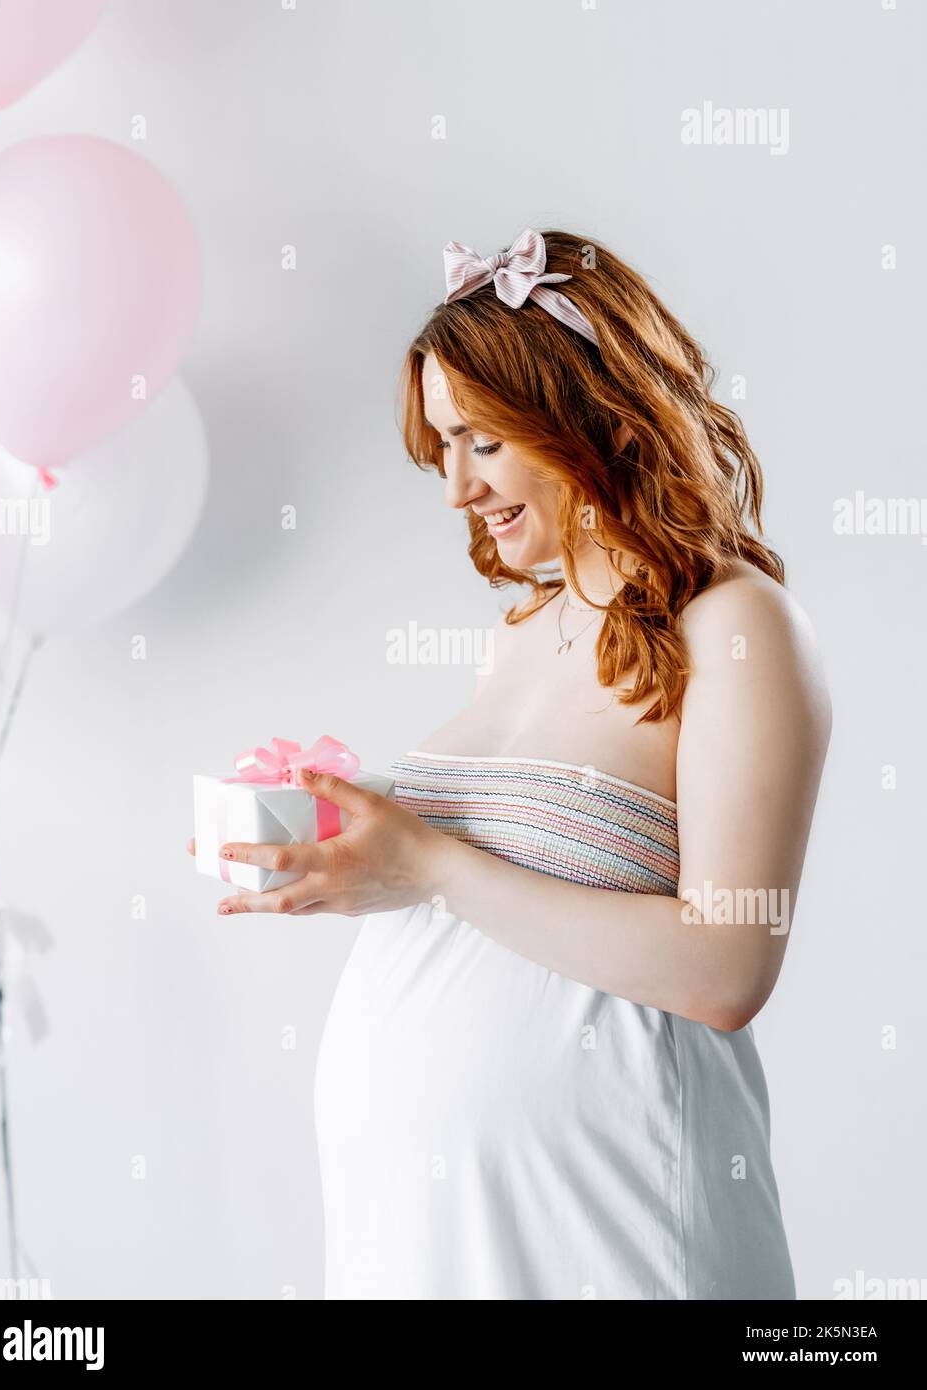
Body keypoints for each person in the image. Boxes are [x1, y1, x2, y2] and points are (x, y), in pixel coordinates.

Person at [211, 228, 832, 1300]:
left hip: (613, 1236)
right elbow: (509, 916)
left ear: (583, 417)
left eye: (481, 443)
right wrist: (352, 863)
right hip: (422, 1242)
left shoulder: (734, 625)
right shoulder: (517, 634)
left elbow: (729, 967)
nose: (455, 489)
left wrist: (432, 867)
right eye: (440, 449)